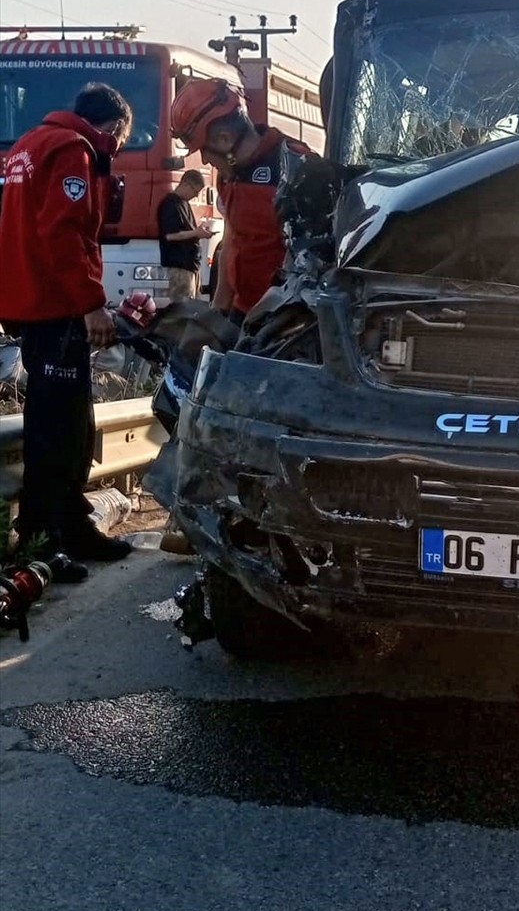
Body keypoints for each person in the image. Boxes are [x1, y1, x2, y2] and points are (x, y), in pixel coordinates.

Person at [0, 83, 134, 565]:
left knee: (51, 416)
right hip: (56, 305)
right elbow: (63, 233)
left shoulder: (27, 146)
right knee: (65, 424)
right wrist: (92, 304)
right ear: (115, 127)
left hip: (31, 302)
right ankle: (59, 532)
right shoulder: (72, 150)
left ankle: (51, 526)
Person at [170, 79, 315, 324]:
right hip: (242, 314)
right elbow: (231, 240)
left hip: (288, 321)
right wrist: (217, 311)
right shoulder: (229, 178)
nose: (204, 160)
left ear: (225, 139)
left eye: (204, 149)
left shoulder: (296, 167)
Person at [157, 169, 215, 301]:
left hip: (190, 265)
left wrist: (199, 231)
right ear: (187, 184)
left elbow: (187, 231)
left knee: (191, 307)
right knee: (182, 308)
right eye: (195, 191)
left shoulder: (184, 204)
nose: (195, 196)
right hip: (179, 266)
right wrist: (196, 233)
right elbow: (170, 236)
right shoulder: (170, 204)